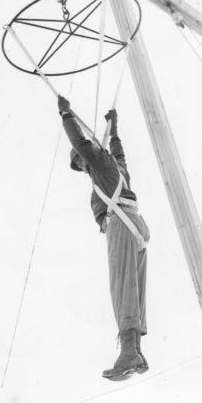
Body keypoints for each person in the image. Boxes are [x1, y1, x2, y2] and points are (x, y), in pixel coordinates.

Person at [57, 95, 150, 381]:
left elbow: (82, 144)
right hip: (136, 225)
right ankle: (134, 351)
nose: (83, 167)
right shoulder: (116, 169)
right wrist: (115, 127)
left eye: (82, 163)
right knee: (133, 291)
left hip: (121, 224)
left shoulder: (101, 165)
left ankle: (129, 352)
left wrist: (65, 115)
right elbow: (119, 152)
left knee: (122, 288)